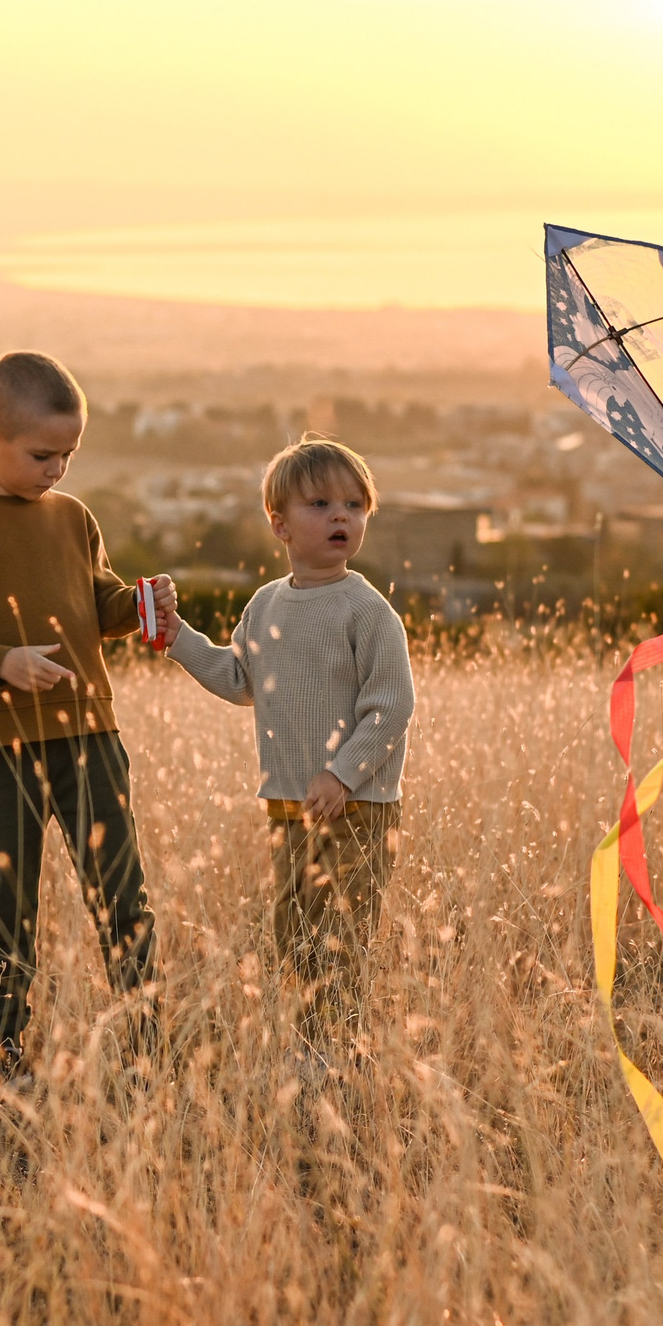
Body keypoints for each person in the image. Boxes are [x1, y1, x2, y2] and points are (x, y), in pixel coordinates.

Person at [0, 350, 164, 1081]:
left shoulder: (74, 518)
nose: (58, 469)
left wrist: (141, 604)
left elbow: (97, 602)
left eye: (69, 454)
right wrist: (0, 661)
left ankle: (148, 1047)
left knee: (123, 894)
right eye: (42, 453)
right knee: (8, 906)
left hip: (90, 734)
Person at [160, 435, 414, 1053]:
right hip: (288, 809)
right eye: (321, 503)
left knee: (343, 940)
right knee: (294, 935)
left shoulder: (367, 611)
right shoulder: (265, 604)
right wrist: (176, 635)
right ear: (278, 525)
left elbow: (391, 705)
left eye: (355, 505)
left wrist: (343, 774)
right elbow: (237, 677)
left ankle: (339, 1061)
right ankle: (308, 1051)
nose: (340, 516)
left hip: (356, 809)